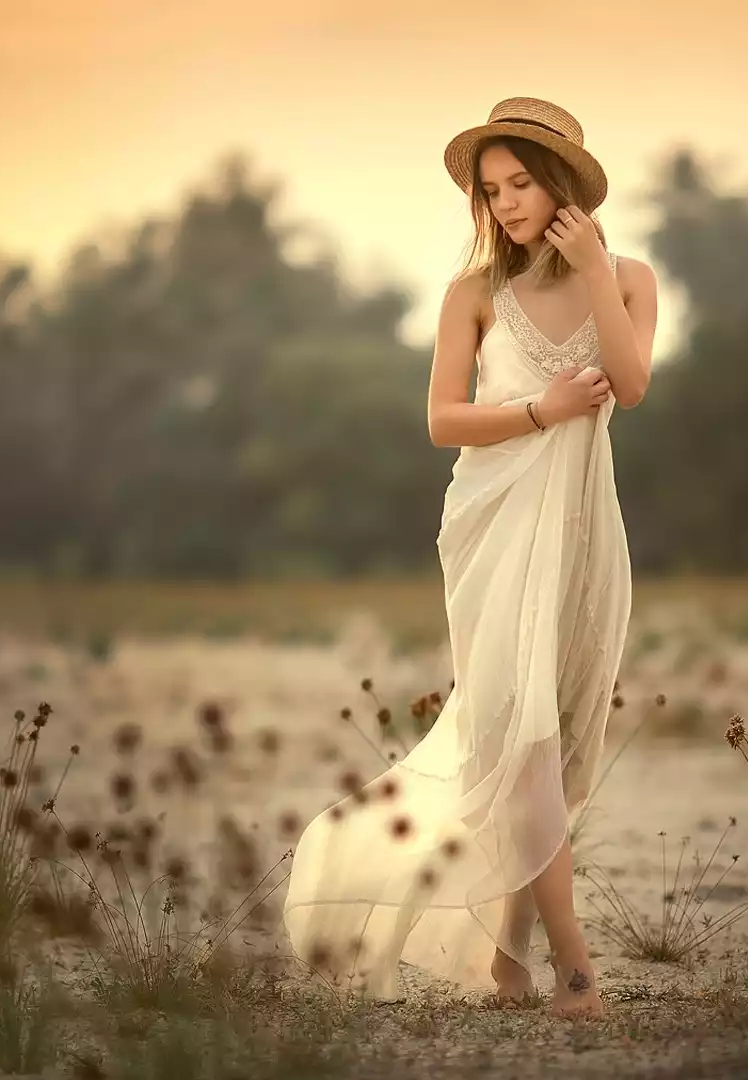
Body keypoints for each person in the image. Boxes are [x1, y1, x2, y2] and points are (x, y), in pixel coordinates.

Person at [281, 96, 659, 1019]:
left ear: (563, 183)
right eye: (492, 190)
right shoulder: (473, 296)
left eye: (522, 182)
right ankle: (576, 972)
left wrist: (594, 272)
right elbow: (443, 419)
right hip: (494, 526)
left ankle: (504, 963)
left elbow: (635, 385)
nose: (507, 203)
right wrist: (542, 410)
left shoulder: (632, 278)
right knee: (519, 740)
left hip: (583, 530)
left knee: (561, 750)